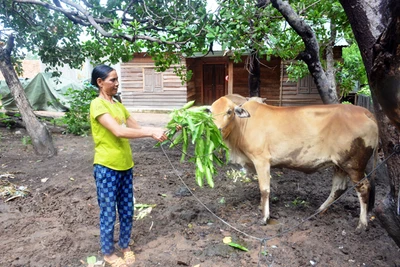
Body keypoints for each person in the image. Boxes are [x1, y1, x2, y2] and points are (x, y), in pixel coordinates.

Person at [90, 64, 167, 267]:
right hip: (106, 167)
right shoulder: (97, 105)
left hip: (125, 166)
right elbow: (119, 131)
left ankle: (125, 246)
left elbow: (137, 128)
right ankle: (108, 253)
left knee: (126, 209)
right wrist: (151, 132)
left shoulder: (117, 104)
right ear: (100, 82)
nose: (117, 83)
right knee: (108, 211)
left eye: (117, 79)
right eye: (112, 80)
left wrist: (163, 129)